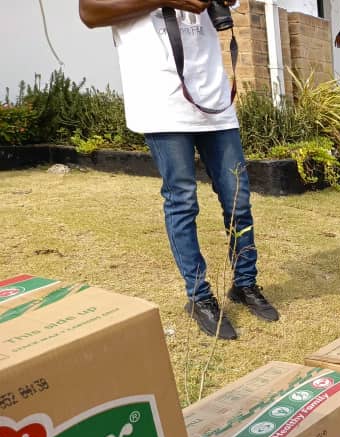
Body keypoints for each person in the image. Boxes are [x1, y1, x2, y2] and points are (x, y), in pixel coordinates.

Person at [78, 0, 279, 341]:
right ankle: (199, 296)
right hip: (162, 103)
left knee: (238, 200)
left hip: (214, 100)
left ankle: (244, 284)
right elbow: (89, 13)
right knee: (183, 200)